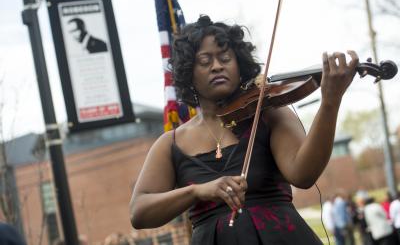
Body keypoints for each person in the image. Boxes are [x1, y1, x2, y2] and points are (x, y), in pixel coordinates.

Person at [129, 15, 359, 244]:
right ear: (189, 71)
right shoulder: (171, 143)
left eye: (225, 58)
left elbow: (303, 174)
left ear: (240, 65)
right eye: (205, 61)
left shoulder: (269, 113)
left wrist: (330, 102)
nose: (217, 66)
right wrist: (197, 191)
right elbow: (139, 212)